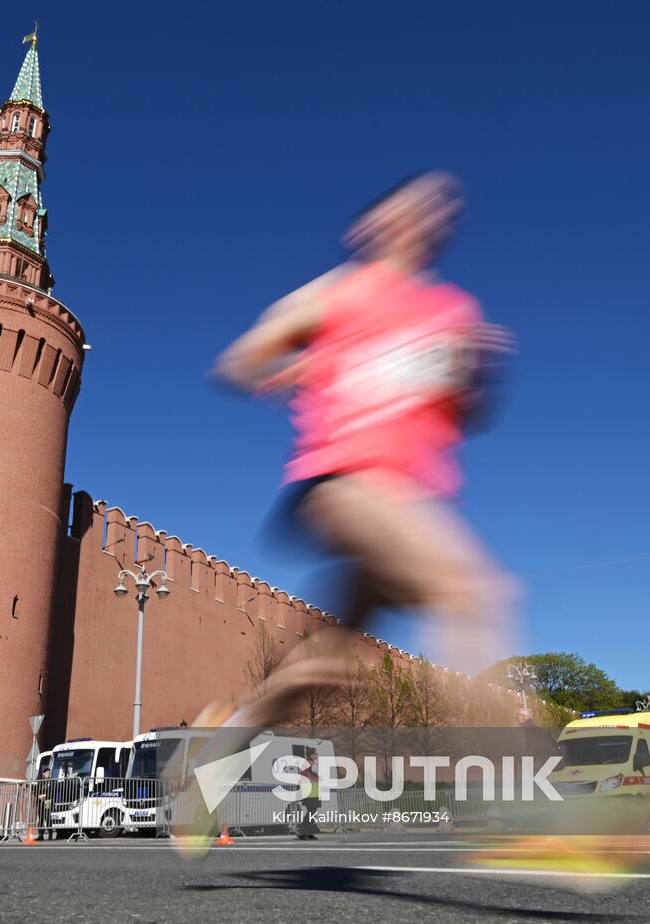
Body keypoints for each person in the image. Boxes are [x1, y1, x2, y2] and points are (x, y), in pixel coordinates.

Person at [176, 172, 516, 856]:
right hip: (342, 484)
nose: (432, 211)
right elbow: (237, 359)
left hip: (411, 496)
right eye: (414, 199)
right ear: (371, 225)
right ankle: (513, 800)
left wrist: (476, 373)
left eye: (444, 204)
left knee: (332, 665)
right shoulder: (340, 291)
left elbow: (465, 411)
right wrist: (282, 364)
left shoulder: (452, 310)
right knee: (474, 590)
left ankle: (215, 760)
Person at [296, 749, 322, 840]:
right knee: (311, 813)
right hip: (311, 792)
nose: (317, 755)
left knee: (312, 813)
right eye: (315, 754)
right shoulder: (310, 764)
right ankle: (303, 832)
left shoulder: (308, 764)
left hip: (312, 791)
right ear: (311, 755)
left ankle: (308, 832)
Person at [35, 765, 54, 841]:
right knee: (41, 819)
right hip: (40, 802)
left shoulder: (51, 781)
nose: (48, 774)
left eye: (49, 773)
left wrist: (46, 795)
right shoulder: (40, 782)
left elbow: (52, 791)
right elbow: (36, 790)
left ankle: (50, 835)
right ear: (43, 774)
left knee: (48, 818)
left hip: (48, 801)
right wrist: (39, 796)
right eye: (47, 773)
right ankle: (40, 835)